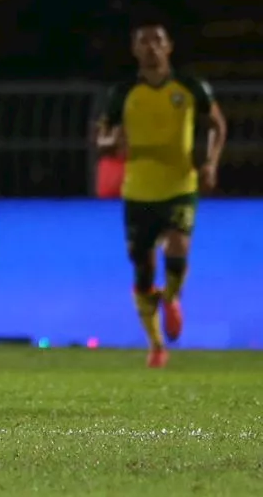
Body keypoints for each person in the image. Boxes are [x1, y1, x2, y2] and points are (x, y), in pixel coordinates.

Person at [96, 21, 226, 368]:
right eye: (144, 42)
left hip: (180, 185)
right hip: (138, 191)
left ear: (169, 46)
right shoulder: (123, 93)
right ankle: (156, 345)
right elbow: (101, 138)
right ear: (134, 50)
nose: (151, 47)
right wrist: (112, 143)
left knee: (178, 244)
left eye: (157, 40)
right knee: (143, 270)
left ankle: (170, 298)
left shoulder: (190, 87)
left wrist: (211, 162)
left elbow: (217, 124)